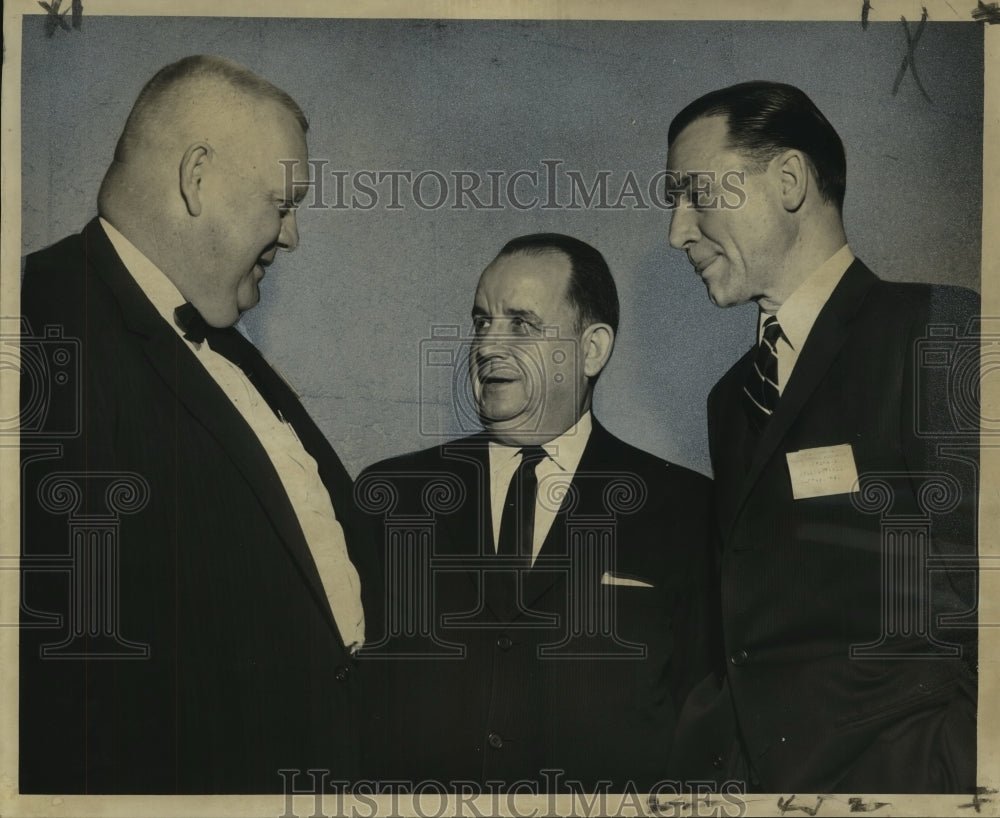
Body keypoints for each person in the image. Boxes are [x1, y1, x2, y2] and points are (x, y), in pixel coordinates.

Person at [19, 55, 368, 793]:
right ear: (197, 177)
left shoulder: (228, 351)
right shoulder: (38, 323)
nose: (294, 236)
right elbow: (55, 681)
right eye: (282, 203)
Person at [663, 81, 978, 793]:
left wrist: (950, 780)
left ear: (789, 180)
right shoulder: (729, 399)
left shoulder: (939, 331)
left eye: (695, 194)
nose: (677, 230)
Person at [355, 234, 714, 791]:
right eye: (481, 322)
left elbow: (704, 731)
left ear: (591, 349)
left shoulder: (689, 511)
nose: (488, 347)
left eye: (521, 325)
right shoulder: (391, 497)